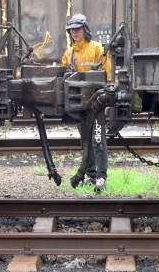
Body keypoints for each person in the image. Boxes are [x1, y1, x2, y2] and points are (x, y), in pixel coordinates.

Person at [61, 13, 112, 192]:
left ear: (85, 30)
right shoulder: (70, 53)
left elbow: (108, 76)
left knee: (98, 140)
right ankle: (90, 175)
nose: (75, 32)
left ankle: (101, 177)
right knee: (86, 141)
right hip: (80, 105)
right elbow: (65, 75)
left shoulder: (98, 48)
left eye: (78, 29)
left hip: (97, 105)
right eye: (72, 30)